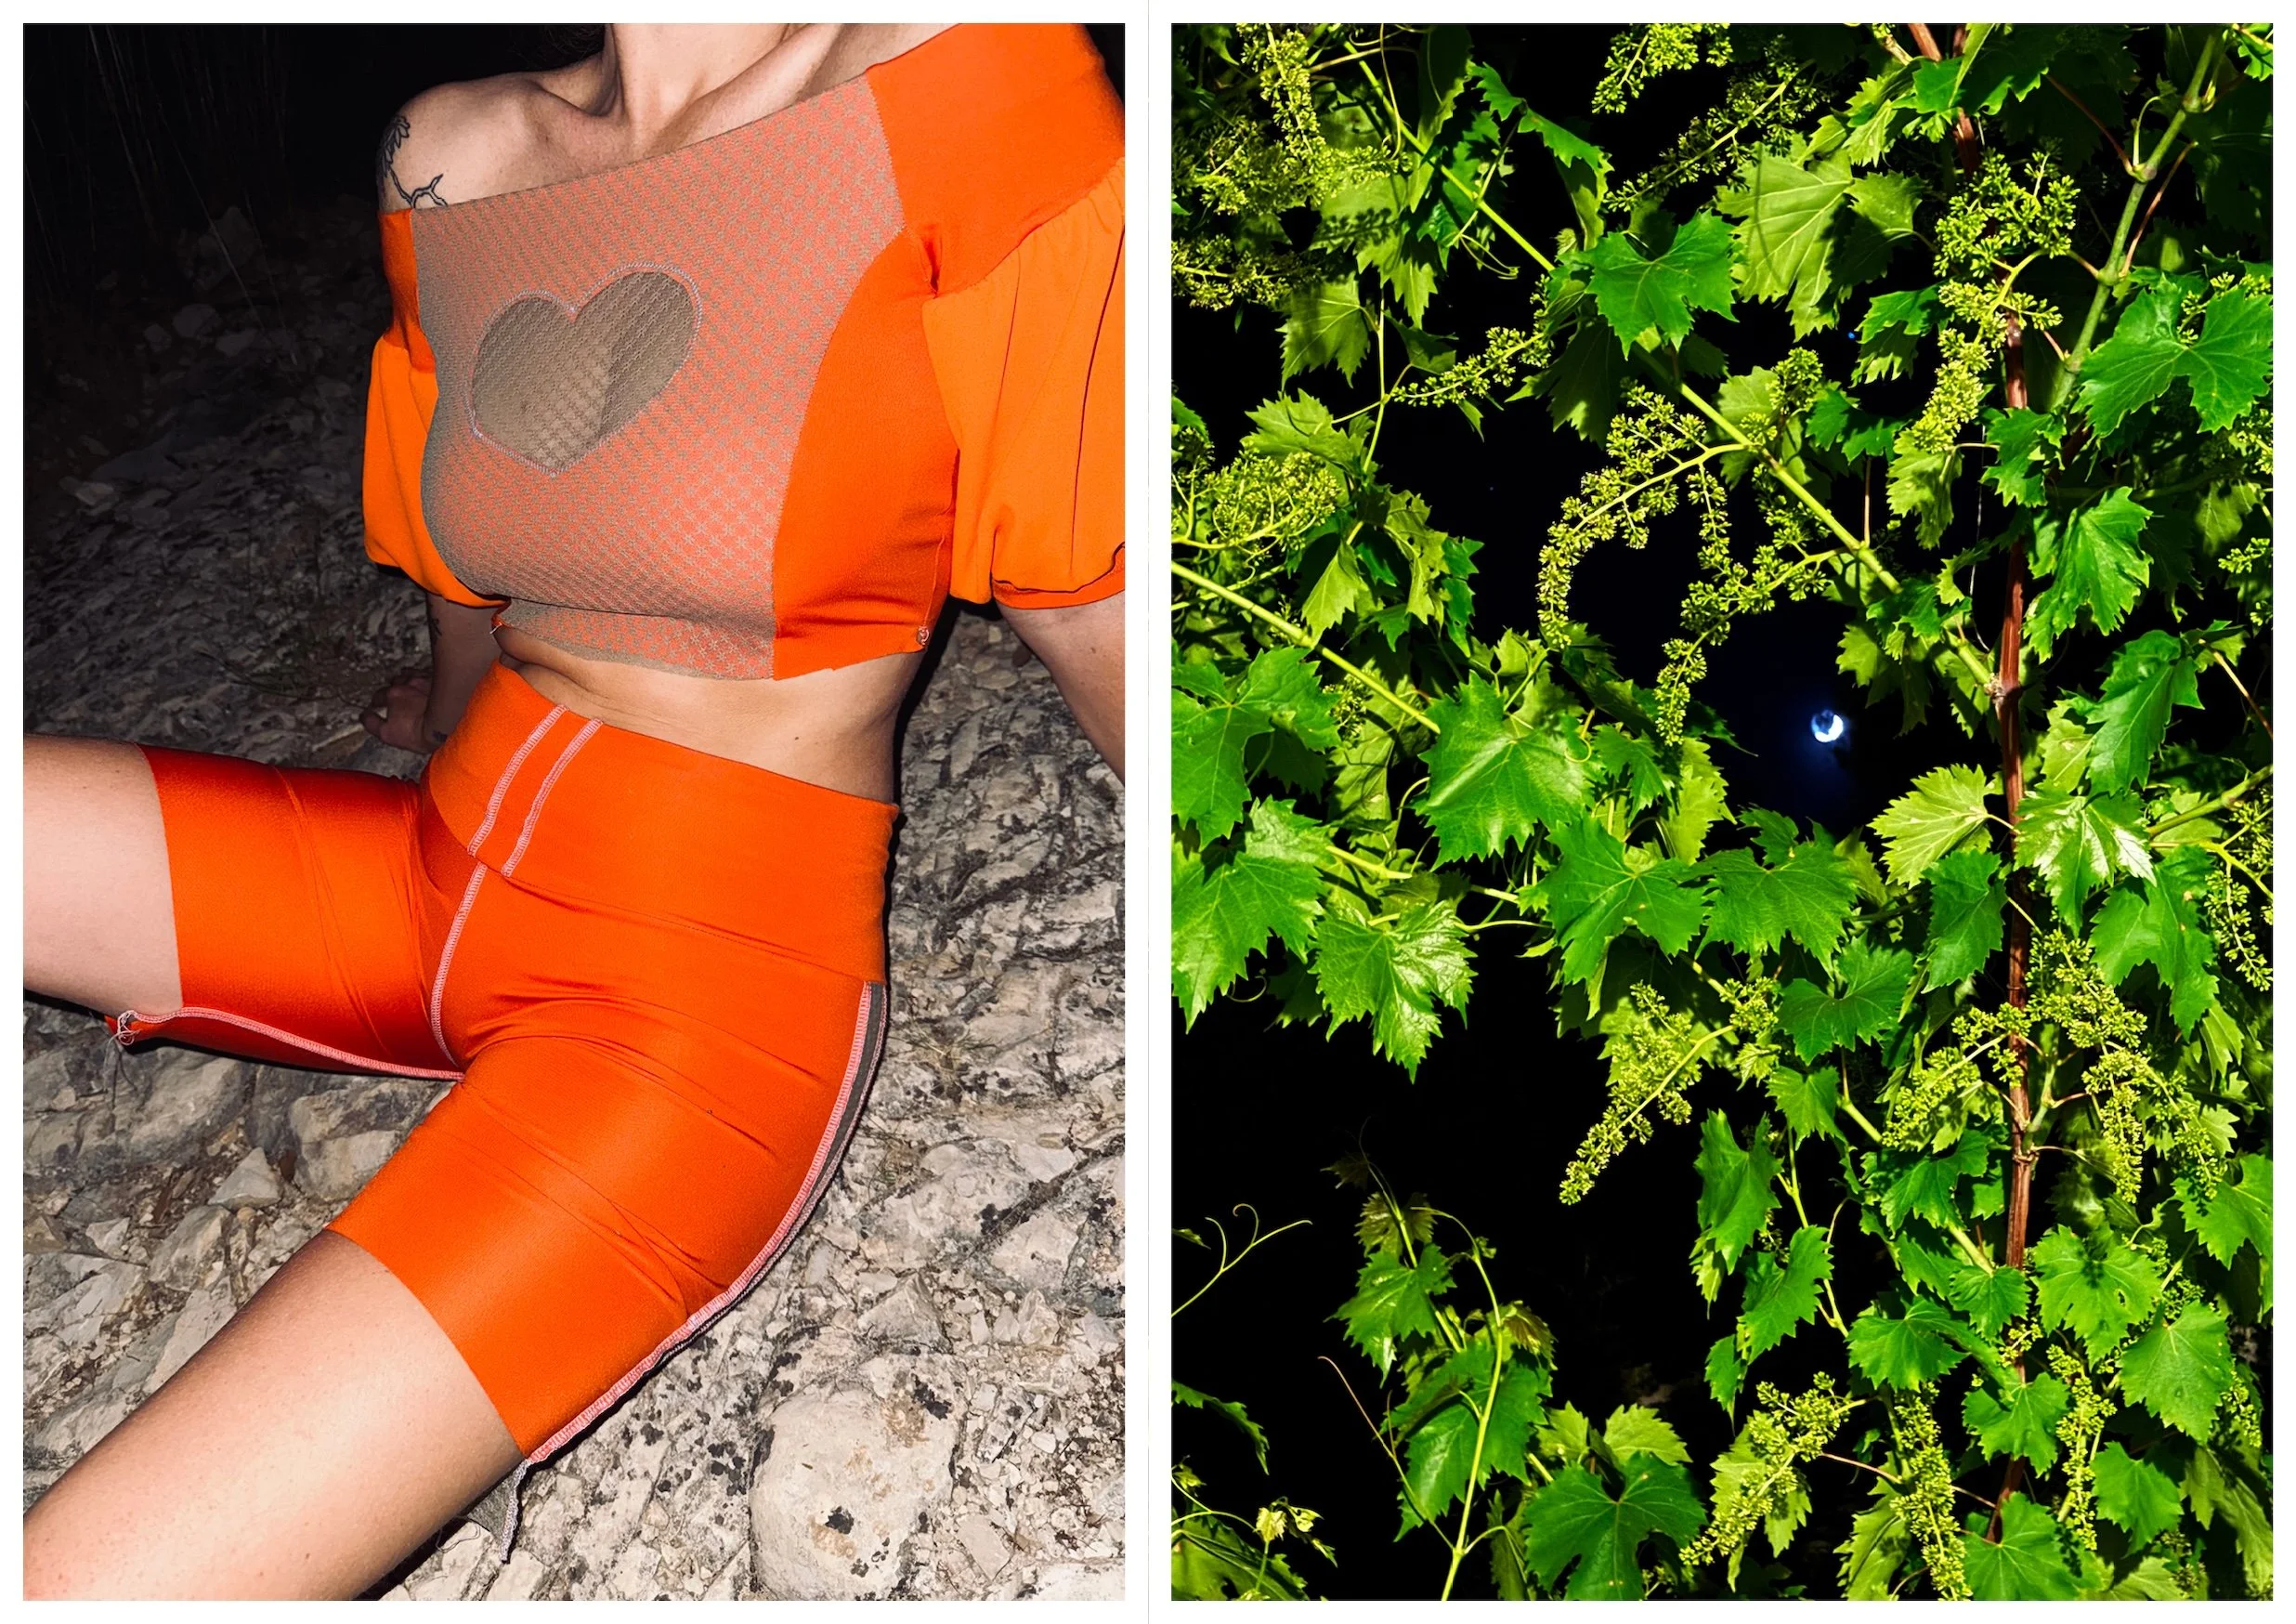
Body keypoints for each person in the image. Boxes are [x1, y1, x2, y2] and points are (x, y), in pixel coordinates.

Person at [23, 21, 1123, 1598]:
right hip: (432, 870)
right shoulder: (447, 153)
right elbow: (468, 569)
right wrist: (441, 718)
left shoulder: (974, 83)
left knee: (89, 1582)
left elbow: (1098, 614)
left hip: (687, 1019)